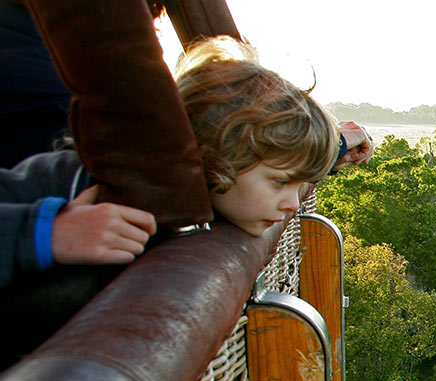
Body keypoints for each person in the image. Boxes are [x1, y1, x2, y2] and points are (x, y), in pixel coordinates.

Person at [0, 35, 373, 288]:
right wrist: (46, 232)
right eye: (280, 182)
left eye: (298, 183)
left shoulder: (198, 188)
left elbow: (256, 170)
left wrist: (332, 150)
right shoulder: (80, 180)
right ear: (215, 155)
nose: (294, 203)